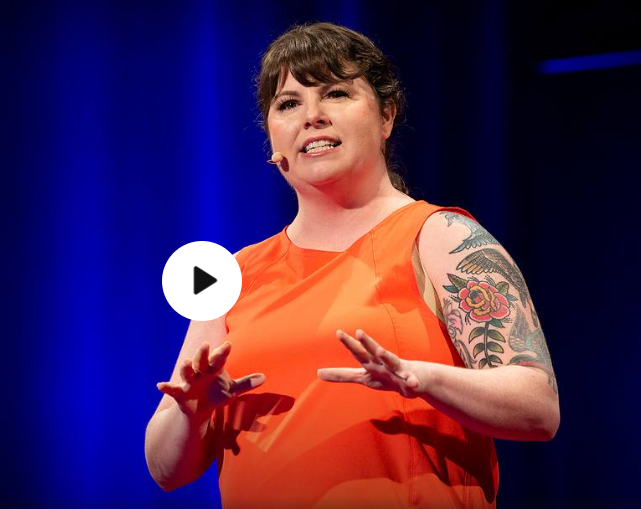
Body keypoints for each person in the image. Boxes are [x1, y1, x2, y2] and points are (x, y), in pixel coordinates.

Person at [145, 22, 559, 509]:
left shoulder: (441, 236)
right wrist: (192, 410)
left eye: (336, 93)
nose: (312, 116)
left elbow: (537, 407)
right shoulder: (233, 275)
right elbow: (165, 471)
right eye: (288, 104)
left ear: (386, 116)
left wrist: (422, 380)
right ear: (272, 141)